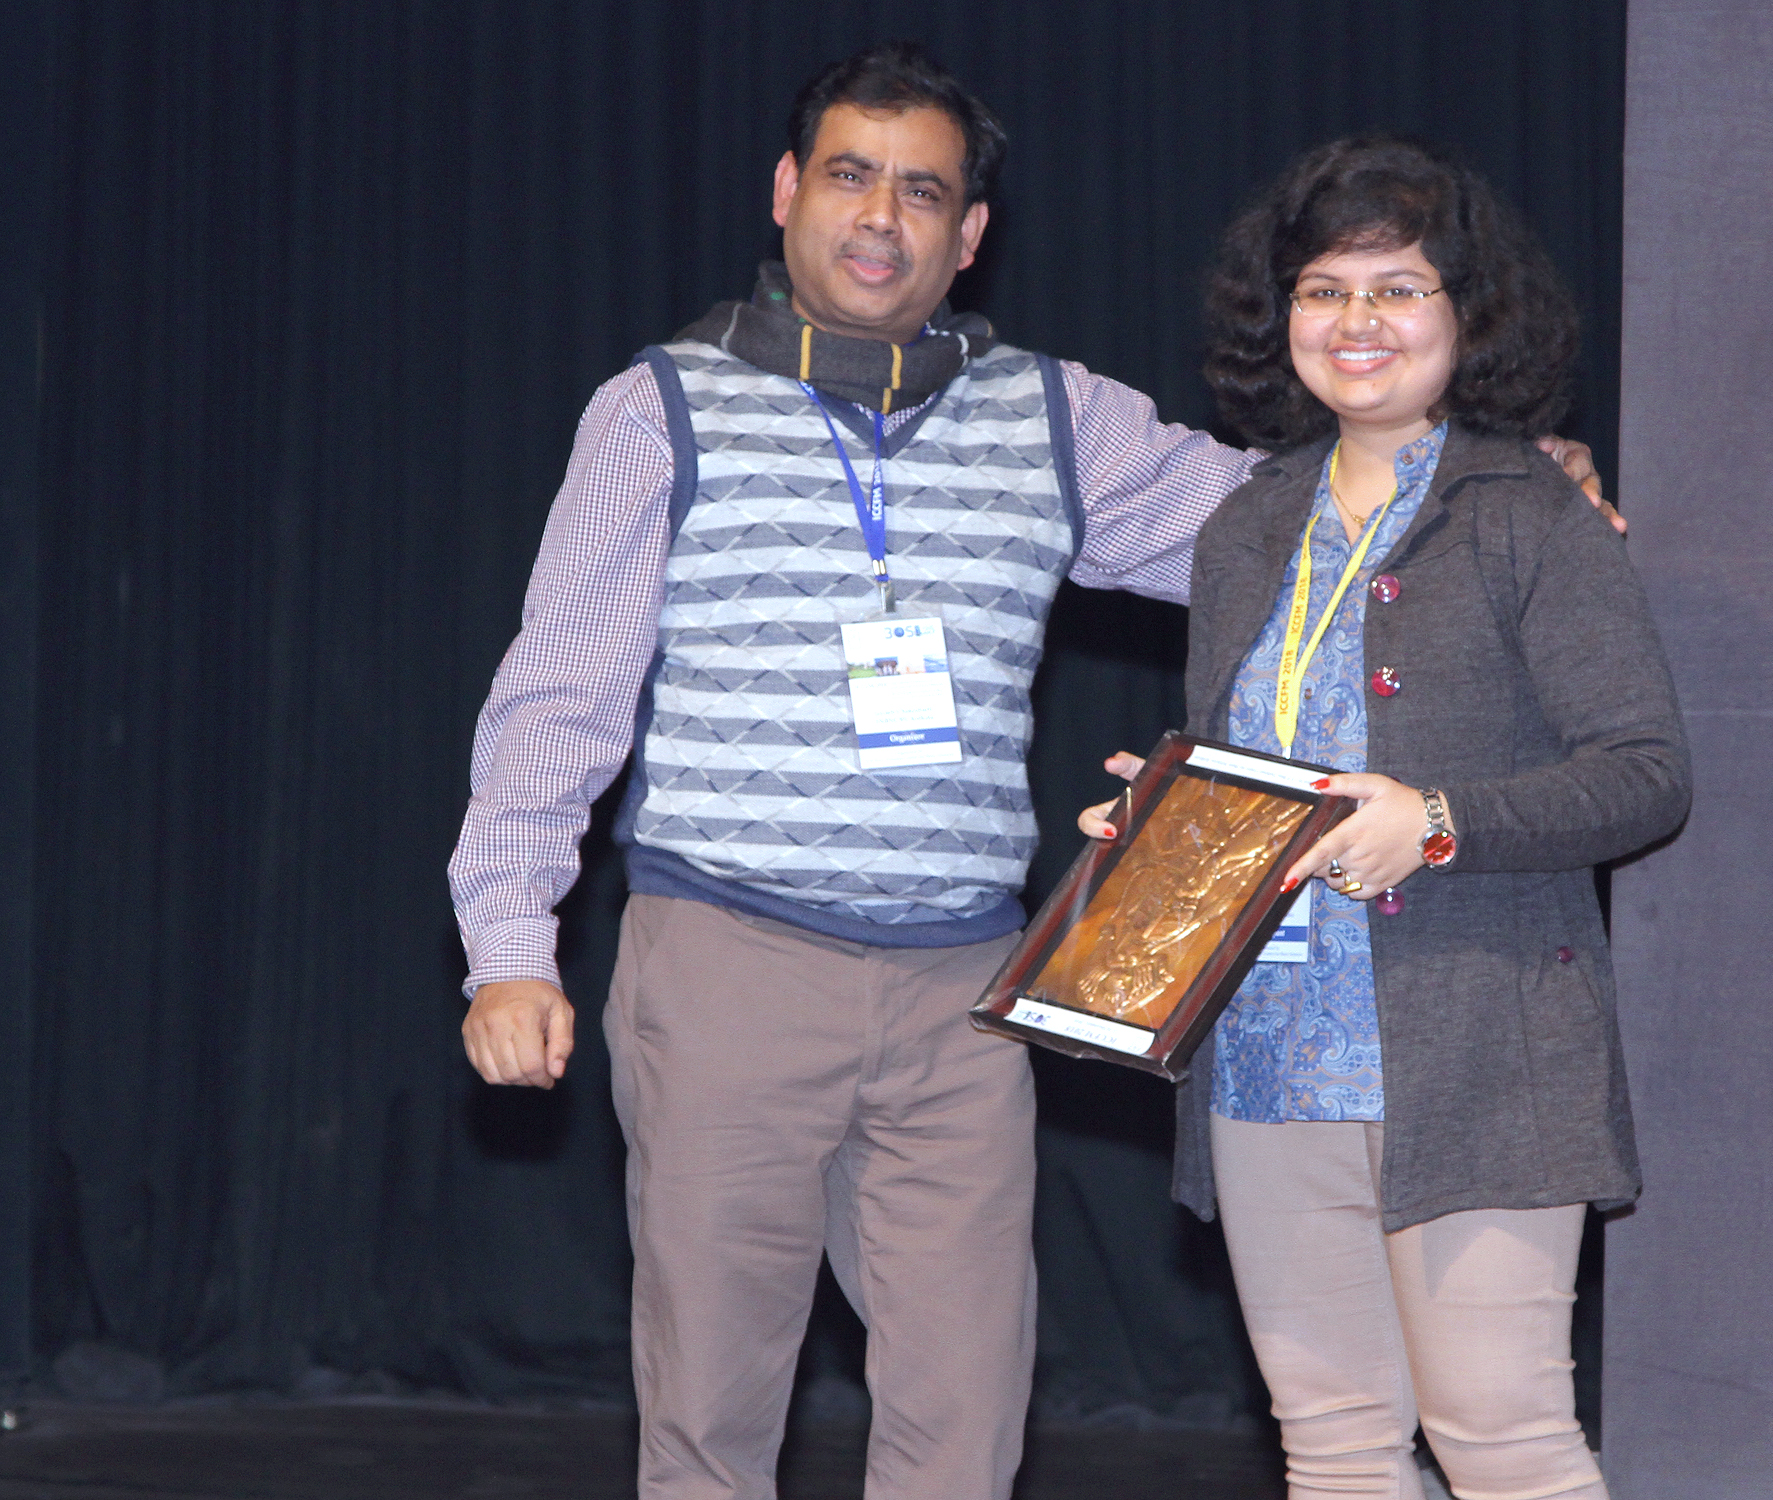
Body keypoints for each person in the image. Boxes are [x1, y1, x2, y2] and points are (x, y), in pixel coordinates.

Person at [449, 43, 1610, 1500]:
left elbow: (1298, 516)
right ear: (787, 191)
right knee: (711, 1414)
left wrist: (1503, 477)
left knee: (967, 1420)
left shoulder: (1054, 413)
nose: (882, 217)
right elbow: (557, 698)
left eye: (923, 191)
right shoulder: (657, 410)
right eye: (852, 176)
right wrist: (509, 946)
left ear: (970, 233)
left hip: (964, 992)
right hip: (728, 959)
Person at [1080, 138, 1690, 1499]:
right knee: (1336, 1446)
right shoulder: (1246, 525)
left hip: (1478, 1052)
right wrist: (1164, 822)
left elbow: (1647, 773)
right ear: (1279, 316)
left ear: (1468, 313)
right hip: (1266, 1052)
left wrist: (1440, 822)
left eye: (1399, 286)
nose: (1357, 320)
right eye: (1323, 289)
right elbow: (1258, 774)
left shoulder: (1532, 511)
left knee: (1502, 1439)